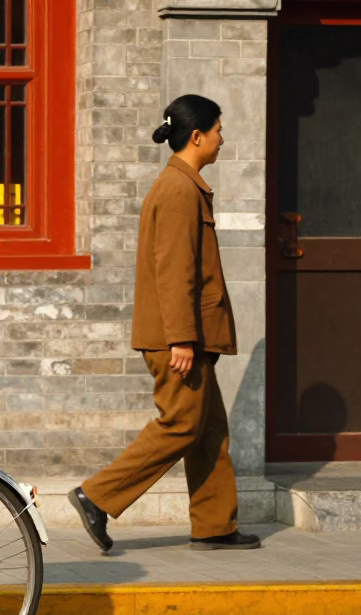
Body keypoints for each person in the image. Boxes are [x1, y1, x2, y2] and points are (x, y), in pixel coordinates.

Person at [67, 94, 261, 552]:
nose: (222, 139)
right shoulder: (177, 190)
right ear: (197, 136)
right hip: (178, 338)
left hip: (188, 334)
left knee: (208, 429)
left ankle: (215, 525)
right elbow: (175, 271)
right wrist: (181, 339)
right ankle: (96, 496)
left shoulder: (183, 185)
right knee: (181, 423)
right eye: (218, 130)